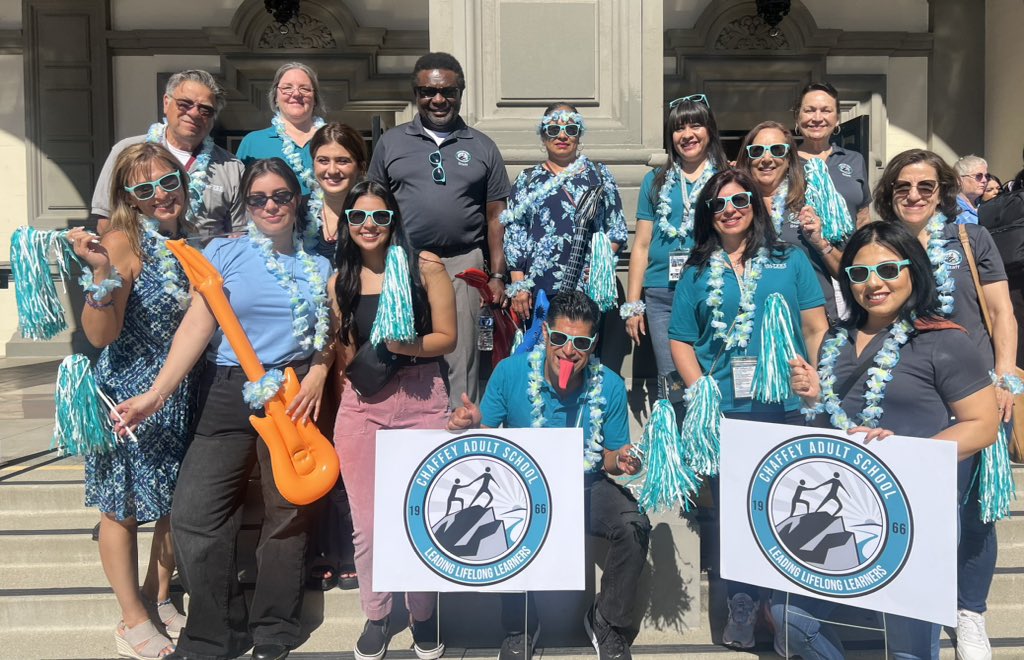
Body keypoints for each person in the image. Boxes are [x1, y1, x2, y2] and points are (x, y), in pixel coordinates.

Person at [114, 158, 333, 660]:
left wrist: (320, 370)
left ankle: (275, 627)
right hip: (227, 388)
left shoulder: (320, 265)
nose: (270, 206)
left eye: (280, 196)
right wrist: (156, 394)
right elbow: (198, 324)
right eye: (258, 199)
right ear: (246, 205)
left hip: (292, 394)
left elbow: (329, 332)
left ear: (297, 199)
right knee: (195, 513)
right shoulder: (223, 252)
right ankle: (216, 631)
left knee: (287, 513)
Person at [780, 221, 1000, 660]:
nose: (873, 284)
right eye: (859, 274)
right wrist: (815, 396)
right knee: (791, 618)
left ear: (913, 270)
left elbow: (982, 425)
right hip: (842, 509)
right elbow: (837, 420)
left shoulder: (944, 340)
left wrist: (904, 455)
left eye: (887, 270)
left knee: (909, 650)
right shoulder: (836, 340)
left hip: (914, 512)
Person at [668, 168, 829, 649]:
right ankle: (741, 603)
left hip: (786, 408)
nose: (730, 210)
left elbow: (816, 326)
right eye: (718, 204)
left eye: (739, 201)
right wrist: (700, 390)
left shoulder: (788, 259)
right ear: (708, 214)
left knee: (788, 509)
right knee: (737, 513)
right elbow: (681, 339)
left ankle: (783, 610)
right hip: (727, 413)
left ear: (755, 207)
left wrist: (815, 378)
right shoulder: (696, 270)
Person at [448, 291, 650, 660]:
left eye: (581, 343)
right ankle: (520, 626)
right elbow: (487, 438)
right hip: (523, 487)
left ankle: (607, 621)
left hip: (585, 484)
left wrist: (621, 460)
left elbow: (610, 457)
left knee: (634, 525)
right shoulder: (510, 373)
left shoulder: (608, 384)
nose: (569, 351)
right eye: (559, 338)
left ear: (593, 344)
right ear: (544, 334)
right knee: (499, 520)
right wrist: (472, 423)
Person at [873, 149, 1017, 659]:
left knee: (974, 514)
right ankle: (921, 607)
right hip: (909, 398)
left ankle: (969, 611)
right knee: (918, 513)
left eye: (926, 187)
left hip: (974, 397)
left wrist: (1006, 377)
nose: (914, 195)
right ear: (889, 194)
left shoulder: (970, 238)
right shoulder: (879, 242)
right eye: (903, 187)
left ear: (943, 192)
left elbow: (1001, 311)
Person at [66, 142, 196, 659]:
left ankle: (157, 596)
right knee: (120, 507)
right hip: (128, 393)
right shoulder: (121, 241)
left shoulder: (188, 238)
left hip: (178, 391)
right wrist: (101, 274)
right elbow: (100, 335)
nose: (160, 195)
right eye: (145, 188)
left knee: (172, 504)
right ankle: (132, 618)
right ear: (128, 196)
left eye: (167, 181)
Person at [329, 180, 456, 660]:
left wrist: (404, 345)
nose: (369, 226)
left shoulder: (425, 267)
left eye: (380, 217)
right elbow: (344, 352)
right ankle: (378, 614)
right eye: (358, 217)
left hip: (421, 395)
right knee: (368, 525)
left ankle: (423, 614)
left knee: (421, 518)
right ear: (347, 222)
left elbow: (447, 337)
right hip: (364, 406)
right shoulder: (340, 280)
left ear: (394, 221)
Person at [368, 51, 510, 406]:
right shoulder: (391, 143)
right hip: (407, 263)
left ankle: (461, 427)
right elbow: (374, 206)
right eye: (427, 91)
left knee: (462, 355)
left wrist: (497, 275)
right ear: (415, 94)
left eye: (448, 91)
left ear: (461, 92)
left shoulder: (482, 146)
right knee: (402, 347)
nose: (438, 99)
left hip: (464, 264)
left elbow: (497, 215)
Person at [623, 95, 728, 396]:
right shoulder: (655, 180)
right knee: (672, 381)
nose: (687, 135)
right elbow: (642, 244)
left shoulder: (726, 179)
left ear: (709, 130)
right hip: (662, 293)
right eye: (679, 128)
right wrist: (633, 304)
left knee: (711, 373)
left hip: (711, 287)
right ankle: (674, 426)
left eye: (696, 125)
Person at [503, 103, 627, 315]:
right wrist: (518, 284)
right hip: (539, 287)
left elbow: (616, 227)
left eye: (571, 129)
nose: (562, 136)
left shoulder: (598, 175)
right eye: (553, 129)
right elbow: (515, 234)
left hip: (587, 285)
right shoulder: (527, 179)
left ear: (579, 135)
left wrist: (601, 265)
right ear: (543, 135)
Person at [92, 69, 245, 240]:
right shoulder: (126, 152)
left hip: (204, 257)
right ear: (166, 102)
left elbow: (237, 235)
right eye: (185, 104)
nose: (194, 113)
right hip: (139, 255)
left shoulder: (231, 168)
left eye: (205, 110)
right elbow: (105, 221)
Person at [736, 120, 847, 321]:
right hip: (756, 320)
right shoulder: (735, 205)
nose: (766, 158)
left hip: (812, 319)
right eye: (757, 151)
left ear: (789, 159)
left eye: (777, 150)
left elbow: (845, 271)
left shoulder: (813, 199)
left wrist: (820, 242)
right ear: (748, 158)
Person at [236, 62, 326, 197]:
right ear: (275, 97)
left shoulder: (332, 140)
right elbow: (238, 197)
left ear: (315, 99)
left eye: (304, 88)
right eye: (287, 88)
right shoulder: (253, 143)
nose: (296, 94)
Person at [793, 82, 872, 227]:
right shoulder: (785, 162)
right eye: (809, 110)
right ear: (797, 118)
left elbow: (863, 218)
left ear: (837, 119)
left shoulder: (854, 159)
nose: (817, 118)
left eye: (826, 110)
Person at [306, 122, 370, 260]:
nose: (332, 170)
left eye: (342, 161)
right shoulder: (298, 211)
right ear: (313, 165)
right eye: (323, 161)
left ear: (361, 167)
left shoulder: (376, 214)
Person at [953, 155, 991, 225]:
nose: (984, 180)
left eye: (986, 176)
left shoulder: (986, 205)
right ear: (959, 179)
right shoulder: (951, 210)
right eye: (978, 176)